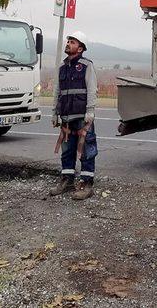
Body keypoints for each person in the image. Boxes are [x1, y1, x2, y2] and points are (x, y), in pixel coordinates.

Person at [49, 32, 98, 201]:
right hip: (66, 118)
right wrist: (55, 112)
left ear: (81, 48)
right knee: (67, 151)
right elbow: (57, 91)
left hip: (83, 118)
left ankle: (87, 183)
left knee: (87, 150)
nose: (68, 43)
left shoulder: (86, 65)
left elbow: (92, 89)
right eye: (68, 41)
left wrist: (90, 111)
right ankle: (67, 180)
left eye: (72, 42)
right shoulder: (62, 67)